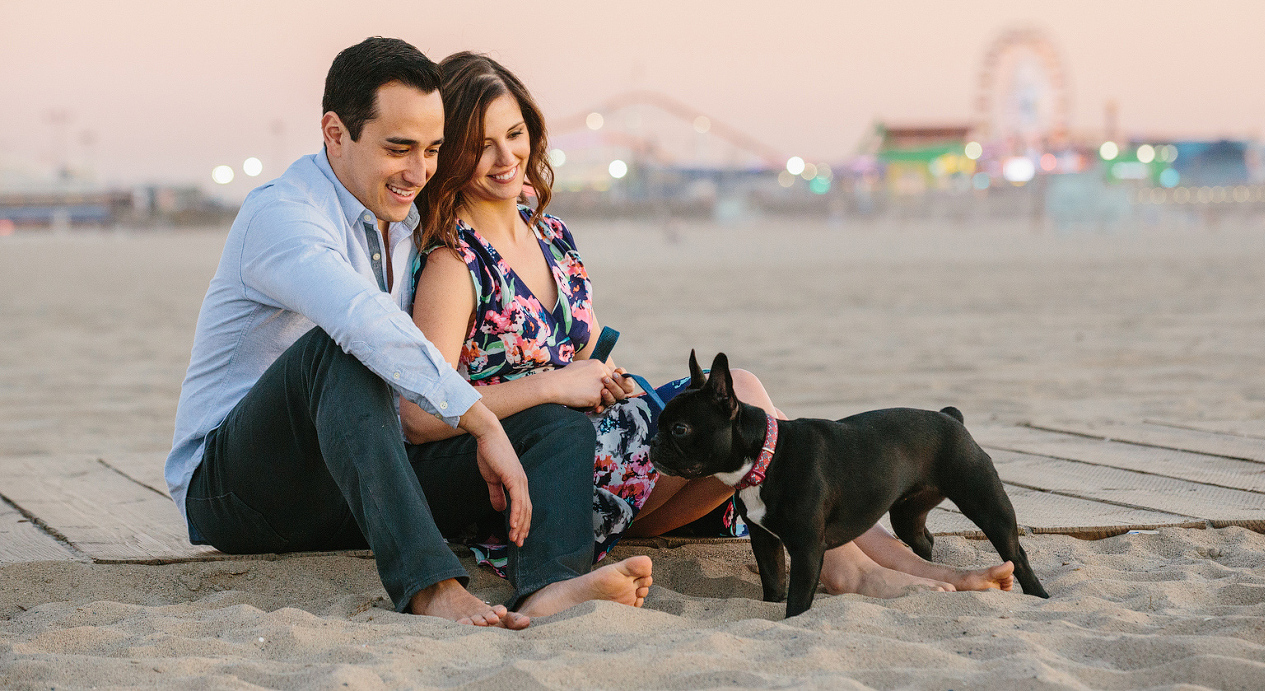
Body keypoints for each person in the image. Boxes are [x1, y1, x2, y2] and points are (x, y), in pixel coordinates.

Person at [402, 51, 1019, 599]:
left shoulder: (552, 238)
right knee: (748, 411)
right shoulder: (454, 264)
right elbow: (420, 415)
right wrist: (553, 387)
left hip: (606, 452)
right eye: (481, 144)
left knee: (750, 414)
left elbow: (580, 360)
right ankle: (857, 568)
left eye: (514, 134)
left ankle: (864, 562)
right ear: (450, 154)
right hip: (536, 469)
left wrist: (602, 380)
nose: (507, 157)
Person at [165, 37, 651, 630]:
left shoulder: (404, 215)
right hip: (239, 490)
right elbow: (362, 323)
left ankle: (549, 585)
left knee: (552, 419)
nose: (419, 170)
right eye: (399, 148)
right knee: (340, 351)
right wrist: (479, 420)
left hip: (356, 482)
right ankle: (431, 588)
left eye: (432, 150)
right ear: (336, 133)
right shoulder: (283, 216)